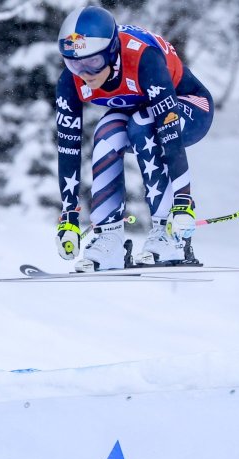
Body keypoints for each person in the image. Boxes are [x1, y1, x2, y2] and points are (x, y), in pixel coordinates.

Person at [53, 5, 215, 271]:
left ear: (111, 50)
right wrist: (69, 217)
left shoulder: (144, 60)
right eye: (73, 63)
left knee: (142, 124)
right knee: (106, 131)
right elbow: (68, 146)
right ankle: (109, 236)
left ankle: (169, 234)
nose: (85, 73)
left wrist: (183, 203)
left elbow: (169, 133)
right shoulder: (71, 81)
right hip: (145, 114)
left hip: (191, 107)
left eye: (93, 62)